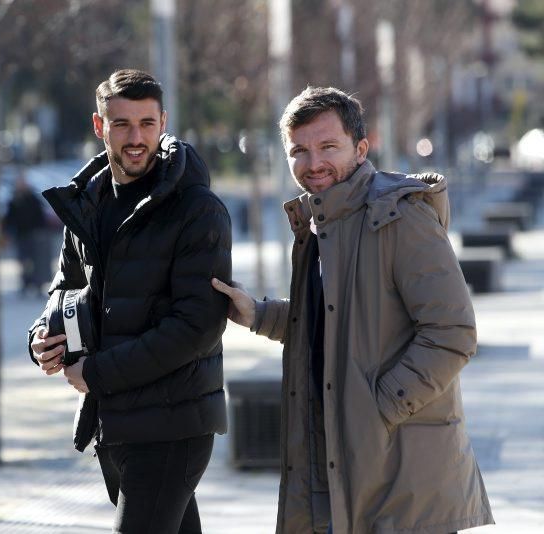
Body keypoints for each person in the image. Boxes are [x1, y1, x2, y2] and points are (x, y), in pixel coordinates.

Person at [211, 87, 494, 534]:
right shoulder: (321, 222)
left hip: (403, 476)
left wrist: (377, 408)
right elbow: (340, 320)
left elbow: (453, 332)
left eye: (328, 146)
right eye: (299, 151)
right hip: (338, 463)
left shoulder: (400, 216)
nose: (313, 163)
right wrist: (260, 315)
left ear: (361, 148)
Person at [28, 69, 232, 533]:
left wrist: (96, 374)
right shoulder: (87, 204)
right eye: (121, 124)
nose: (135, 138)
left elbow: (197, 327)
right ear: (100, 127)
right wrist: (42, 335)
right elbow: (64, 290)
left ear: (163, 123)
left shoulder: (198, 210)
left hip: (173, 426)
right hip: (114, 424)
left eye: (146, 123)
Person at [3, 171, 50, 297]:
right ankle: (25, 284)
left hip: (33, 234)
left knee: (36, 261)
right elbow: (9, 219)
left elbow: (40, 216)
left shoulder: (33, 198)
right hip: (20, 235)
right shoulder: (14, 200)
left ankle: (38, 285)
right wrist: (7, 233)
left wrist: (41, 231)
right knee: (23, 262)